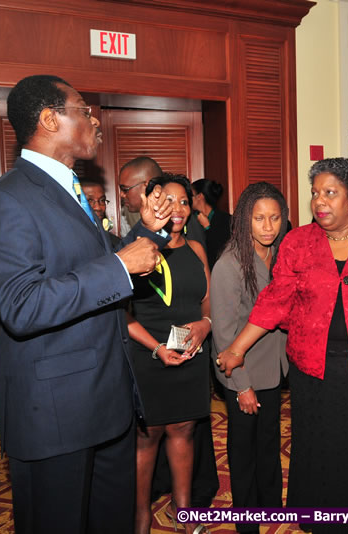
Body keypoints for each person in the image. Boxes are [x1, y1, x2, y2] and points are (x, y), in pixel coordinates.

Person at [0, 74, 172, 533]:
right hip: (56, 415)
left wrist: (146, 235)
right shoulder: (7, 199)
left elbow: (94, 268)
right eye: (84, 109)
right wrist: (120, 265)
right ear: (48, 119)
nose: (94, 119)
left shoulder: (72, 189)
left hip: (108, 404)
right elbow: (21, 306)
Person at [218, 157, 348, 533]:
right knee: (320, 445)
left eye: (330, 193)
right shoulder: (298, 242)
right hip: (313, 369)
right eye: (315, 193)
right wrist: (237, 348)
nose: (320, 202)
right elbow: (275, 300)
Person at [127, 173, 213, 534]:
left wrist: (206, 323)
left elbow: (207, 298)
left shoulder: (195, 249)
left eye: (183, 201)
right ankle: (141, 517)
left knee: (184, 429)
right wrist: (157, 348)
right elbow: (122, 314)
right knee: (147, 437)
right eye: (167, 200)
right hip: (148, 354)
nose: (176, 209)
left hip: (191, 354)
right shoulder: (135, 248)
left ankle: (185, 513)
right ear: (150, 204)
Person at [210, 182, 288, 534]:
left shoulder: (280, 257)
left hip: (273, 370)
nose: (268, 226)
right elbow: (224, 334)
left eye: (274, 218)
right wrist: (241, 386)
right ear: (245, 220)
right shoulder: (230, 264)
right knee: (244, 451)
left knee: (269, 443)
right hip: (242, 374)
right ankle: (247, 522)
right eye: (259, 218)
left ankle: (271, 508)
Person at [119, 156, 206, 248]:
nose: (121, 195)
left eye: (125, 189)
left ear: (147, 186)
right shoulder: (129, 215)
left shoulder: (187, 225)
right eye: (170, 200)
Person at [192, 178, 233, 269]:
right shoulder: (190, 220)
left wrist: (207, 228)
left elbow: (221, 251)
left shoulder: (226, 220)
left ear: (199, 197)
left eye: (190, 195)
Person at [81, 180, 121, 246]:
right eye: (90, 201)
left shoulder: (114, 242)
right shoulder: (68, 239)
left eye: (102, 200)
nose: (98, 208)